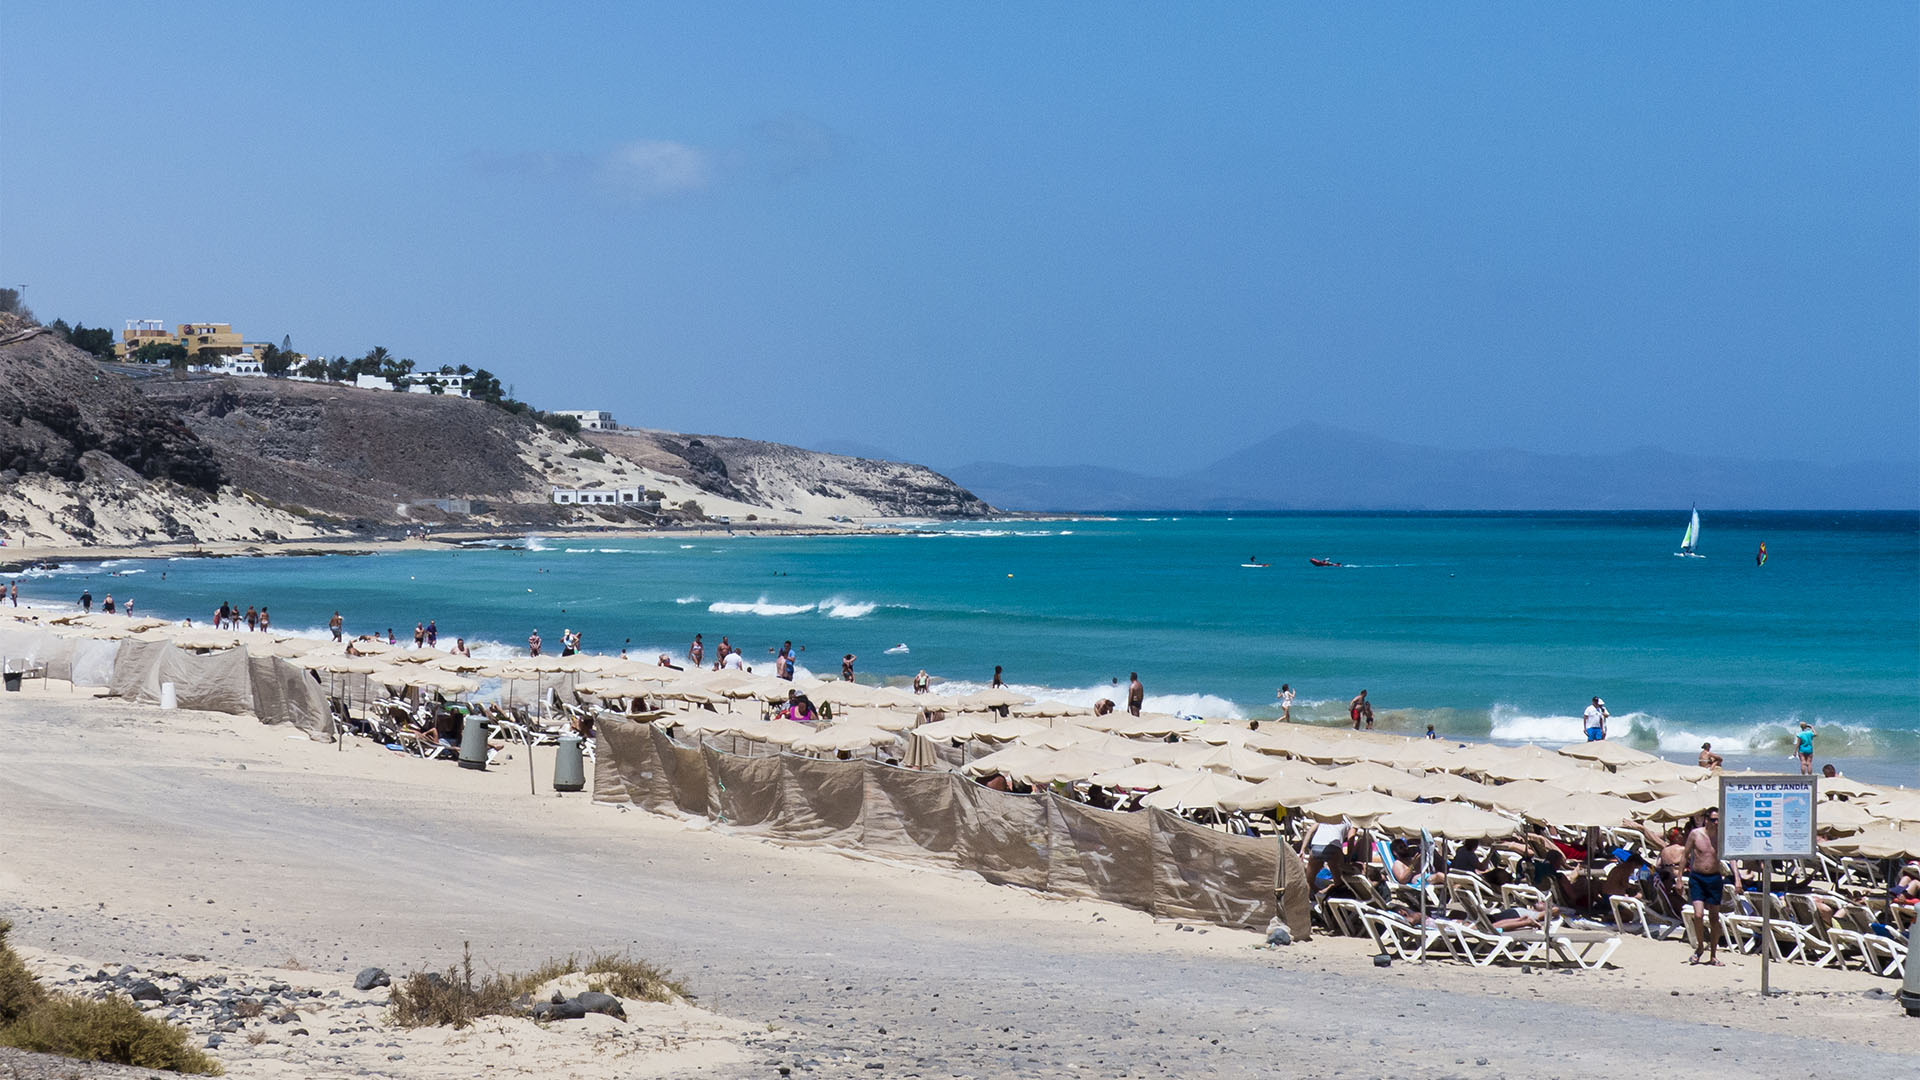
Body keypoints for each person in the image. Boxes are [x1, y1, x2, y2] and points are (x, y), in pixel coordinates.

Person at [1687, 808, 1726, 965]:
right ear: (1706, 820)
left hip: (1715, 878)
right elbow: (1685, 855)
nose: (1716, 823)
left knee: (1714, 918)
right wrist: (1678, 879)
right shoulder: (1696, 834)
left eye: (1718, 820)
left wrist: (1737, 879)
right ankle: (1700, 947)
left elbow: (1731, 858)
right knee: (1698, 915)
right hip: (1697, 878)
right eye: (1713, 820)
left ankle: (1713, 955)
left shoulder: (1721, 837)